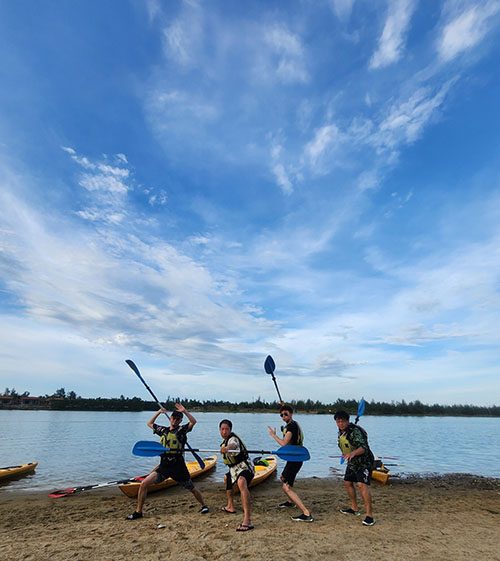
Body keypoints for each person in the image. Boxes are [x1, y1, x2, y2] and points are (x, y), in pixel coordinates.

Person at [127, 403, 209, 520]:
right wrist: (159, 412)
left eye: (177, 419)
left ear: (180, 421)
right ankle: (138, 511)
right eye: (173, 418)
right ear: (170, 419)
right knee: (144, 484)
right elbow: (149, 423)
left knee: (191, 488)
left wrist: (184, 411)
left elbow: (193, 421)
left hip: (178, 467)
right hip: (164, 467)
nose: (175, 420)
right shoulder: (163, 430)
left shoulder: (182, 430)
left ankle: (204, 505)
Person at [268, 404, 314, 522]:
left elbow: (284, 443)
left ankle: (306, 513)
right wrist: (284, 406)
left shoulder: (292, 427)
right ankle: (290, 502)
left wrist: (273, 435)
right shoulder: (292, 424)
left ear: (291, 414)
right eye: (281, 415)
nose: (283, 416)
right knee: (284, 478)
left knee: (286, 487)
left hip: (295, 459)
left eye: (286, 414)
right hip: (294, 458)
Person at [334, 410, 375, 526]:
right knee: (347, 483)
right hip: (352, 463)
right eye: (338, 421)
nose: (340, 423)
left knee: (362, 485)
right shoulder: (341, 432)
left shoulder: (355, 431)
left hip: (363, 462)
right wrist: (345, 454)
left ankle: (369, 515)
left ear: (347, 421)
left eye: (343, 421)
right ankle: (354, 508)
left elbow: (363, 448)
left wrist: (352, 454)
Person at [219, 419, 255, 531]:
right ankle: (230, 506)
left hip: (245, 467)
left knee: (241, 482)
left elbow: (233, 445)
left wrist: (227, 448)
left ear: (230, 430)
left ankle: (247, 520)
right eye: (222, 429)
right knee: (226, 478)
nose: (224, 431)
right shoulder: (223, 442)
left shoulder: (233, 439)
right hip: (234, 470)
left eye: (227, 429)